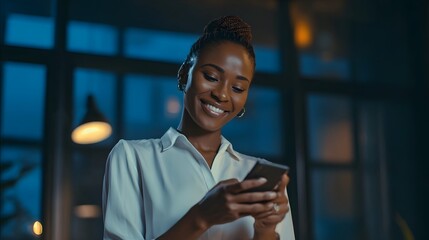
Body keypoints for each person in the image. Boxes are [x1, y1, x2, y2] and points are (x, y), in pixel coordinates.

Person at [102, 16, 295, 240]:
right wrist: (202, 216)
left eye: (238, 87)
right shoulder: (132, 158)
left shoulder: (259, 177)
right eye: (211, 77)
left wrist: (265, 230)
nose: (222, 94)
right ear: (185, 74)